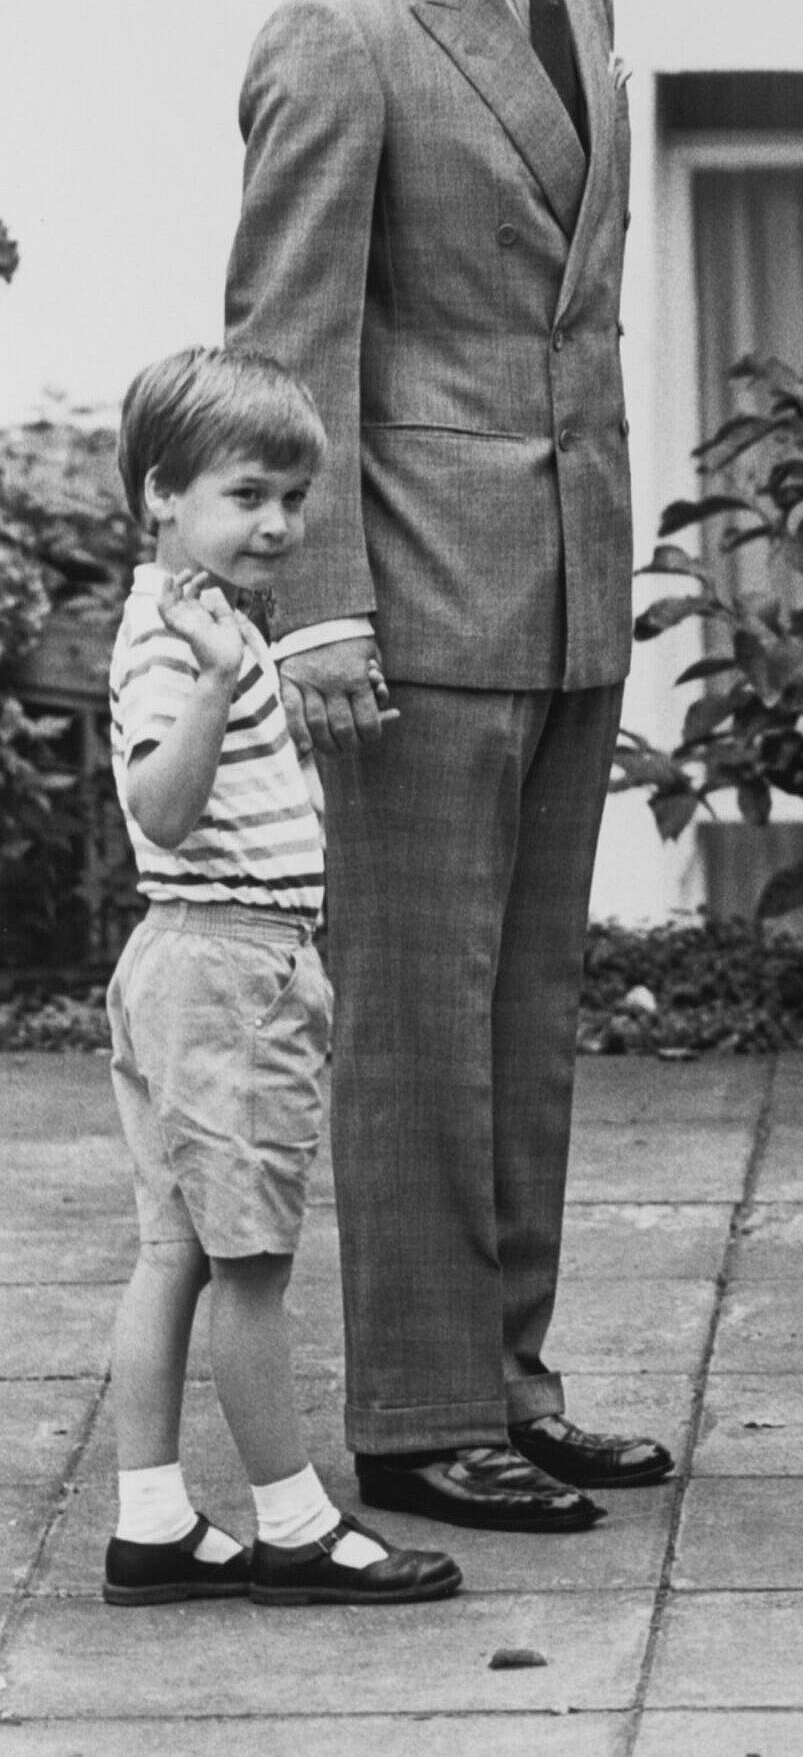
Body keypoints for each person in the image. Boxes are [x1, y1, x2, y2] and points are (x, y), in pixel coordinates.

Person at [223, 0, 670, 1531]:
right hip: (404, 604)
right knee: (413, 1018)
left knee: (527, 1009)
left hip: (561, 586)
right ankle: (416, 1412)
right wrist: (315, 610)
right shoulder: (344, 23)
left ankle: (511, 1371)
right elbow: (278, 347)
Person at [102, 347, 461, 1608]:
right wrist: (213, 689)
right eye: (248, 493)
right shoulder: (176, 638)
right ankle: (294, 1524)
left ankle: (152, 1520)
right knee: (250, 1261)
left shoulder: (203, 618)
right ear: (161, 493)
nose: (279, 523)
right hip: (224, 966)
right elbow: (157, 800)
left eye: (293, 497)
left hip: (195, 960)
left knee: (178, 1253)